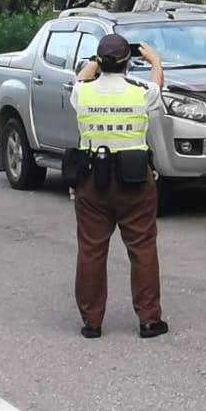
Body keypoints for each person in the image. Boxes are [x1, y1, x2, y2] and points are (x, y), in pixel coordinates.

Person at [68, 33, 167, 339]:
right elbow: (158, 85)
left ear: (100, 62)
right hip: (134, 181)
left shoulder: (82, 94)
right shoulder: (140, 93)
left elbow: (79, 80)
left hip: (91, 182)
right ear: (127, 62)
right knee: (143, 248)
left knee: (91, 250)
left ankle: (92, 322)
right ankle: (149, 320)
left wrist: (94, 63)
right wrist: (155, 61)